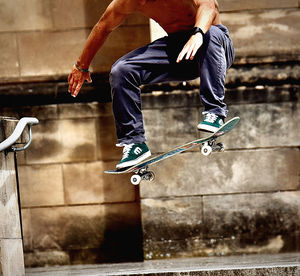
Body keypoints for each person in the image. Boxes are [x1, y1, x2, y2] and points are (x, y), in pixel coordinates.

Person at [68, 0, 235, 169]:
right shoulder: (126, 2)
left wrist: (198, 33)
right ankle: (134, 143)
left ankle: (215, 112)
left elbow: (210, 6)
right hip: (180, 52)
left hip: (215, 48)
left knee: (211, 33)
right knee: (122, 70)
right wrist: (81, 66)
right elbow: (103, 26)